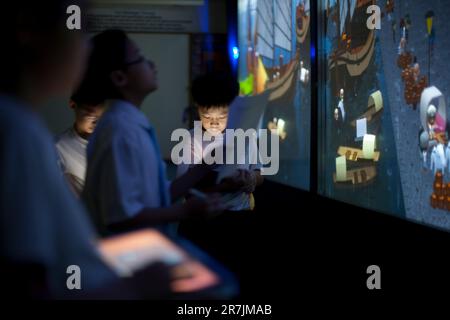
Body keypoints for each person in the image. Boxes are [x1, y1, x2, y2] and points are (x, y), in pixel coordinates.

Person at [0, 1, 185, 299]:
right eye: (78, 27)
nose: (86, 48)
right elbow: (27, 281)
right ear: (27, 29)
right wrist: (133, 287)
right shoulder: (17, 131)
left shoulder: (22, 126)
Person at [81, 30, 223, 236]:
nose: (152, 65)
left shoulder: (129, 124)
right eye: (140, 58)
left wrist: (204, 166)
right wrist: (186, 210)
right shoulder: (121, 132)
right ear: (120, 78)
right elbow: (121, 217)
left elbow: (158, 195)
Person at [176, 72, 263, 211]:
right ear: (198, 108)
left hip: (240, 211)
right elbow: (183, 187)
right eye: (207, 115)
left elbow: (258, 170)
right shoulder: (191, 139)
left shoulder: (244, 135)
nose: (214, 122)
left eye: (222, 115)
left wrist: (251, 179)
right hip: (202, 215)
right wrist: (226, 185)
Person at [56, 90, 105, 196]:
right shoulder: (59, 148)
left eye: (99, 116)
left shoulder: (115, 139)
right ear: (73, 104)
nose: (95, 122)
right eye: (89, 115)